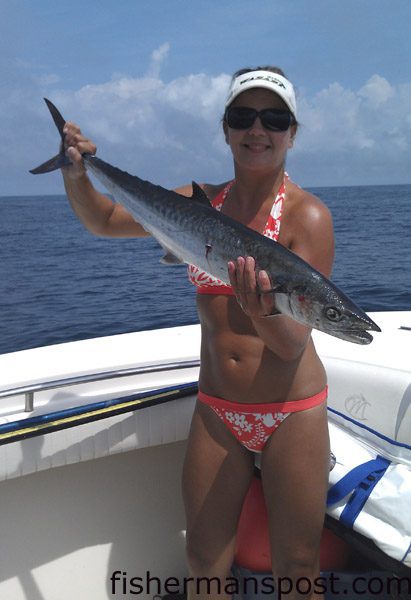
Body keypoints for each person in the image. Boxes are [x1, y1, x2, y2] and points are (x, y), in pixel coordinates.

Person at [61, 66, 334, 599]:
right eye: (243, 116)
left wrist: (261, 310)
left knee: (298, 567)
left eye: (274, 118)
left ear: (293, 132)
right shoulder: (194, 202)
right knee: (203, 560)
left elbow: (290, 344)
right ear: (226, 128)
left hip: (291, 413)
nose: (258, 129)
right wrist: (76, 173)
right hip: (218, 408)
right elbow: (102, 220)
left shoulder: (309, 217)